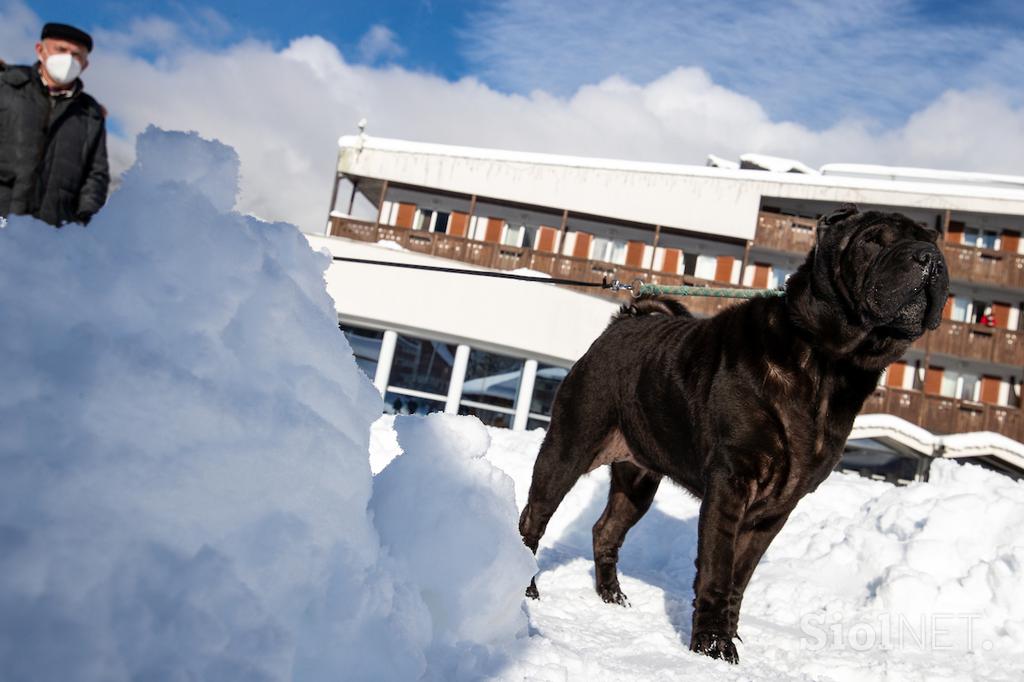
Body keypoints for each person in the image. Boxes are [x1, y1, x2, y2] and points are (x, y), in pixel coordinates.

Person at [0, 22, 109, 227]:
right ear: (40, 50)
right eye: (61, 49)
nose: (68, 59)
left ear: (85, 64)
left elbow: (96, 176)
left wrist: (83, 221)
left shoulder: (91, 114)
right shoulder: (6, 86)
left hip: (49, 231)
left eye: (77, 55)